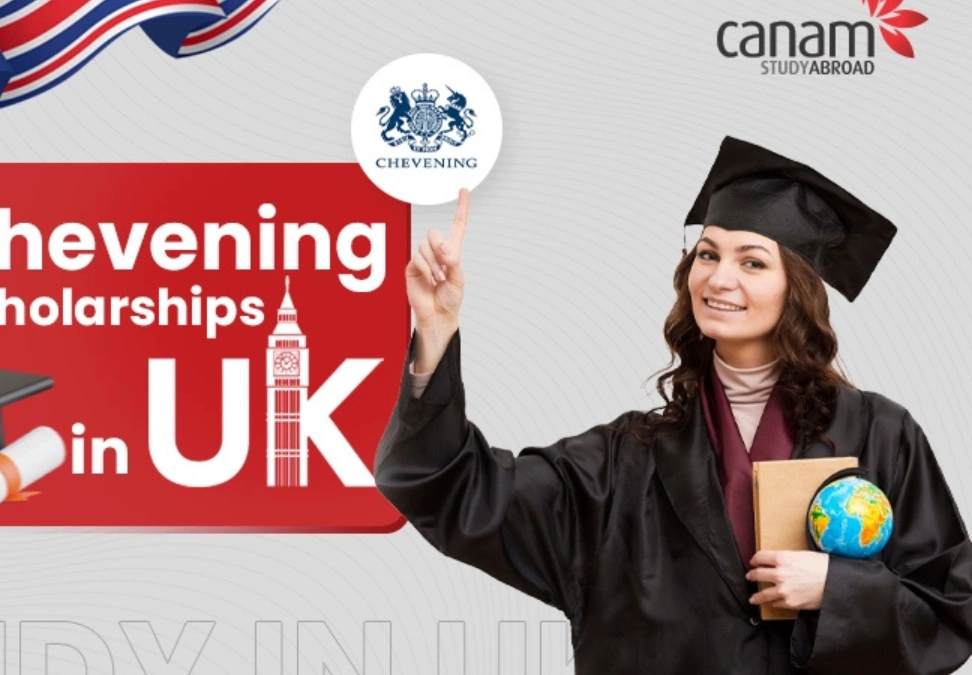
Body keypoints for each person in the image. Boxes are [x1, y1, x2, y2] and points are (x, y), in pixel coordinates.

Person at [373, 136, 972, 675]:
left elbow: (952, 609)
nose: (719, 279)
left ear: (799, 288)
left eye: (752, 261)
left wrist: (838, 590)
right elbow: (449, 487)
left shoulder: (879, 435)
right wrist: (436, 331)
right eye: (708, 254)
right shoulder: (618, 466)